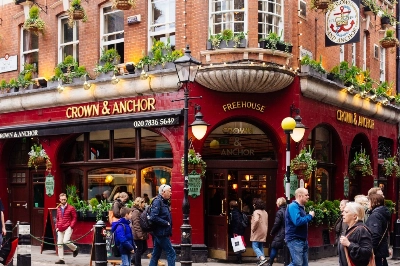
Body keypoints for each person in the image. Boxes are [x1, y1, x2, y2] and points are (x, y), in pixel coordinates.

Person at [285, 188, 315, 266]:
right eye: (306, 195)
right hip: (295, 239)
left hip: (302, 239)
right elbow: (297, 221)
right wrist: (310, 216)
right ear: (299, 196)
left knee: (304, 264)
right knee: (297, 263)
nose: (308, 197)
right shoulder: (293, 206)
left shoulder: (300, 207)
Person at [338, 202, 373, 266]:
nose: (342, 214)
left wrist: (349, 244)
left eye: (346, 212)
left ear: (354, 216)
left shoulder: (361, 230)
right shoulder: (348, 229)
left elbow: (366, 252)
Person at [148, 184, 175, 266]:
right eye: (169, 191)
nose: (171, 193)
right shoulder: (157, 201)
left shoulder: (164, 202)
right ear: (163, 192)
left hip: (161, 232)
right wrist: (166, 223)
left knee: (156, 255)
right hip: (161, 233)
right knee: (171, 253)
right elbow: (153, 217)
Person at [365, 194, 390, 266]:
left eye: (369, 201)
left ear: (375, 202)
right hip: (381, 250)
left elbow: (375, 234)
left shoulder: (375, 215)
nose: (367, 203)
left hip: (377, 252)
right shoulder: (381, 213)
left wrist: (370, 250)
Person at [55, 193, 79, 264]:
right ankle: (61, 259)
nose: (63, 201)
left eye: (64, 199)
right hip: (60, 228)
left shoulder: (71, 208)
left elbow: (74, 218)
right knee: (59, 244)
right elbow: (57, 218)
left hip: (68, 227)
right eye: (62, 199)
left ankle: (75, 248)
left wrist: (71, 226)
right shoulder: (58, 208)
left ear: (66, 199)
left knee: (65, 241)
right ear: (59, 200)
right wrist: (57, 227)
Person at [267, 197, 287, 266]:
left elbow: (276, 224)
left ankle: (270, 263)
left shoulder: (279, 212)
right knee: (287, 248)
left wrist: (272, 232)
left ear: (279, 203)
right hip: (288, 232)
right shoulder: (288, 210)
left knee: (274, 246)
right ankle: (286, 262)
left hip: (281, 232)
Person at [251, 198, 269, 266]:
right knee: (260, 245)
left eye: (254, 204)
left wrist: (253, 228)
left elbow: (256, 220)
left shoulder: (256, 212)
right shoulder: (265, 212)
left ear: (255, 205)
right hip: (264, 230)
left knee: (254, 246)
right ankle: (262, 260)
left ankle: (262, 258)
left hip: (257, 231)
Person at [131, 197, 148, 266]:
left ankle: (133, 259)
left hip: (142, 233)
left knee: (144, 248)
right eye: (143, 202)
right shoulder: (136, 211)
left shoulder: (141, 211)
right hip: (138, 234)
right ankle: (137, 264)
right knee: (139, 249)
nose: (145, 204)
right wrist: (140, 235)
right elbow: (136, 224)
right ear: (140, 203)